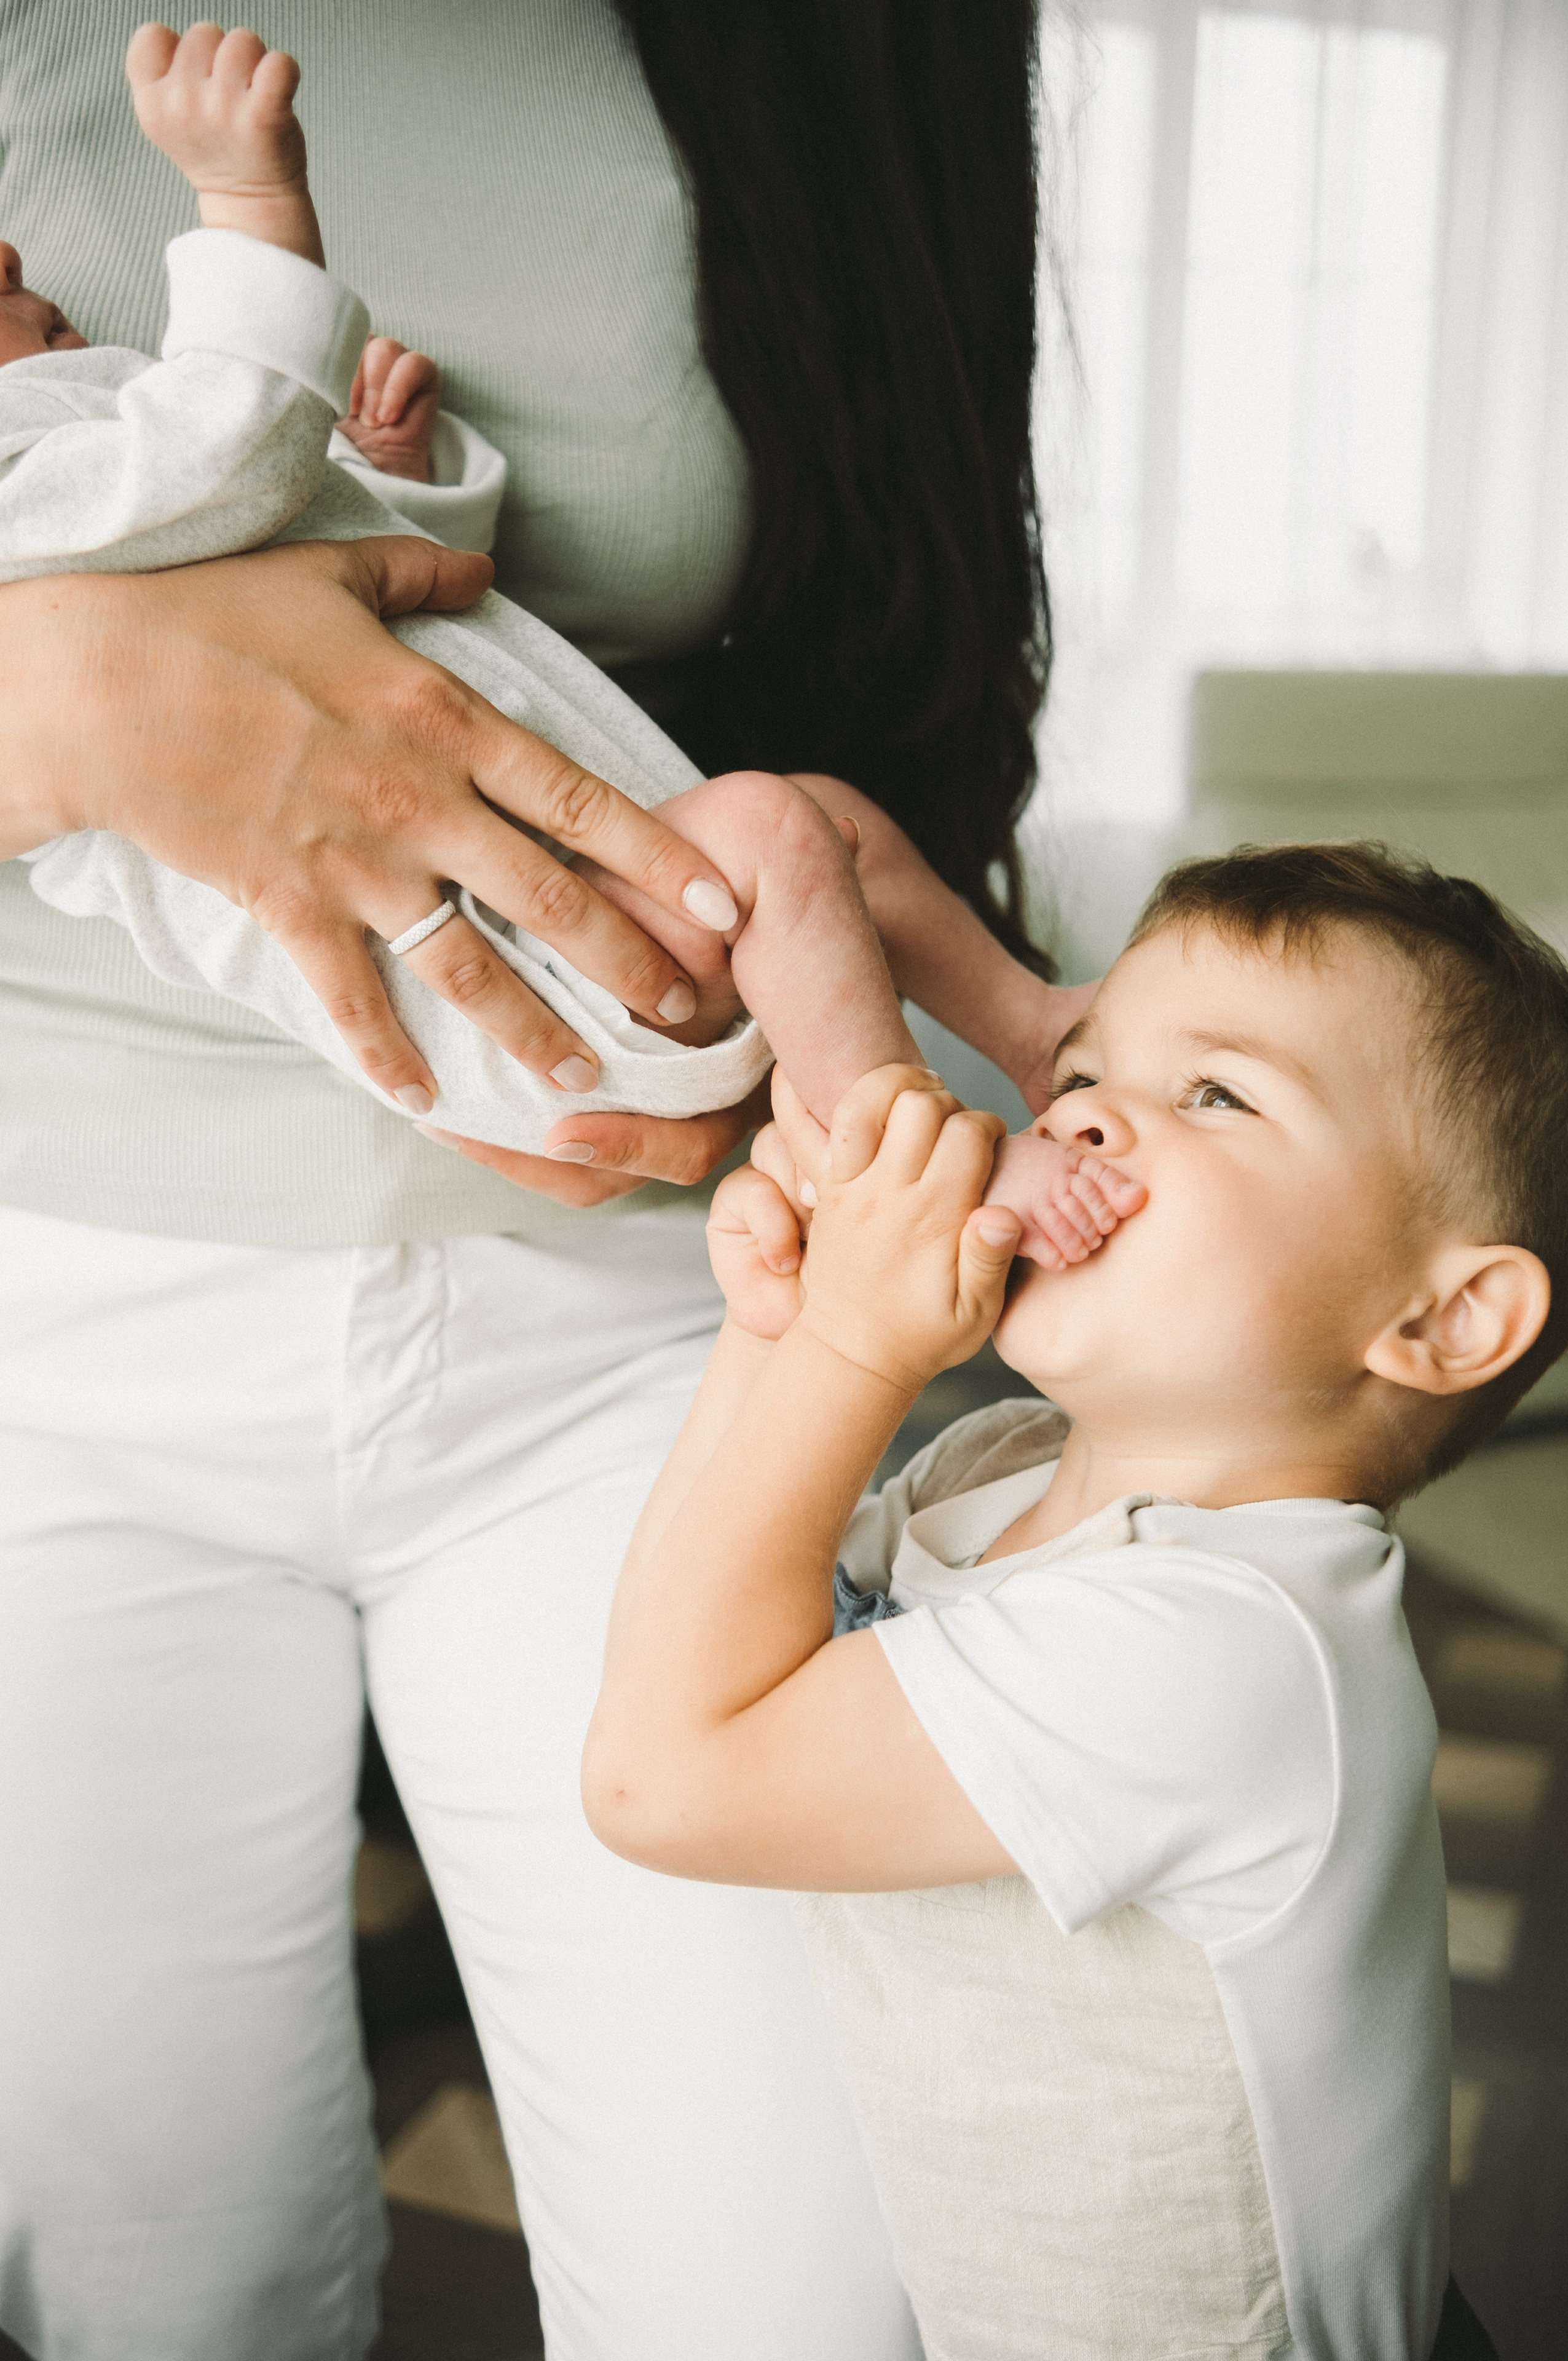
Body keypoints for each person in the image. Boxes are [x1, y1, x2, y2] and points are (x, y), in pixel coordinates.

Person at [0, 6, 1063, 2355]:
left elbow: (376, 559)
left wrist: (388, 475)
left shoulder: (829, 60)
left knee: (796, 2292)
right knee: (161, 2282)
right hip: (52, 1322)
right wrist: (63, 705)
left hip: (647, 1314)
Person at [584, 843, 1568, 2360]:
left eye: (1218, 1096)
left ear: (1439, 1319)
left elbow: (664, 1775)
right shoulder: (994, 1470)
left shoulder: (1229, 1647)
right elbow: (727, 1630)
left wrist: (846, 1350)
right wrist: (779, 1327)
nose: (1081, 1115)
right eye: (1087, 1070)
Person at [7, 23, 1137, 1260]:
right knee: (777, 834)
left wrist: (386, 477)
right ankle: (906, 1178)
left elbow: (377, 582)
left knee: (822, 828)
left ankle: (1029, 1031)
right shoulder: (32, 468)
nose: (12, 254)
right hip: (431, 1006)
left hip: (576, 1060)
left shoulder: (83, 463)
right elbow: (234, 432)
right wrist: (246, 202)